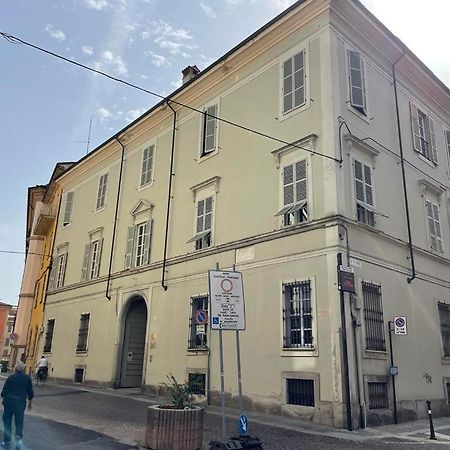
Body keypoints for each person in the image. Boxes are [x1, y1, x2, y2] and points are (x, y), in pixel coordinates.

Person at [1, 361, 33, 450]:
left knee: (7, 421)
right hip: (20, 403)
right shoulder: (27, 378)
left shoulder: (11, 377)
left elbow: (4, 391)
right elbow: (30, 392)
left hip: (9, 402)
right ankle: (18, 436)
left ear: (15, 368)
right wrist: (30, 403)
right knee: (19, 422)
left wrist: (3, 399)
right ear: (23, 369)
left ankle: (7, 440)